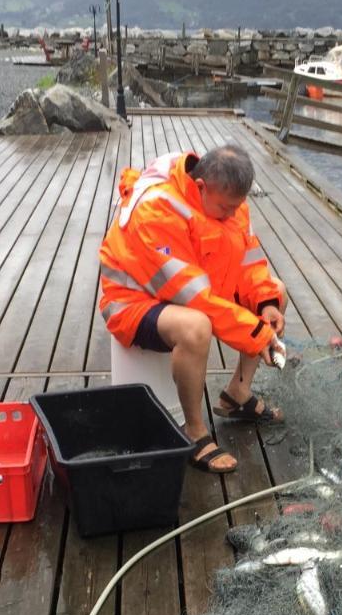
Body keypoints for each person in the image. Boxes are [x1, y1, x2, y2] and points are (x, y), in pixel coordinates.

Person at [98, 145, 285, 474]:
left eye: (237, 207)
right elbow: (193, 298)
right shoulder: (157, 210)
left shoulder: (227, 201)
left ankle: (236, 394)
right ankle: (194, 431)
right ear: (201, 188)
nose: (233, 214)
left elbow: (250, 261)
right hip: (132, 301)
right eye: (226, 208)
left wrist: (267, 304)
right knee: (196, 327)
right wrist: (258, 336)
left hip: (192, 291)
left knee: (276, 291)